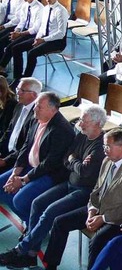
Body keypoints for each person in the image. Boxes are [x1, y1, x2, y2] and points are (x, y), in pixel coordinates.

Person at [0, 105, 107, 268]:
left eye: (84, 120)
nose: (80, 123)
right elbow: (66, 159)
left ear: (97, 124)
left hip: (84, 191)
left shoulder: (100, 146)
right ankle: (30, 254)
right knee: (37, 203)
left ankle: (22, 249)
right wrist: (74, 161)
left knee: (50, 212)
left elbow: (85, 172)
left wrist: (73, 160)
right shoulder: (81, 136)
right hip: (70, 183)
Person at [41, 129, 122, 270]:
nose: (104, 150)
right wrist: (91, 211)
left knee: (97, 241)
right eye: (104, 146)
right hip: (98, 209)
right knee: (60, 222)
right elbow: (97, 190)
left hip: (119, 219)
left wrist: (103, 218)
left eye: (107, 146)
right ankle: (51, 266)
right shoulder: (107, 161)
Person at [0, 92, 75, 225]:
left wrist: (23, 180)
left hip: (49, 173)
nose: (35, 109)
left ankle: (33, 229)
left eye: (39, 107)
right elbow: (25, 147)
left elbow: (49, 163)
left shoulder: (62, 130)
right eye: (35, 105)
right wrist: (14, 173)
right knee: (2, 185)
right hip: (32, 164)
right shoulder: (35, 119)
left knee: (20, 200)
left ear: (53, 110)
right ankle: (31, 223)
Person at [8, 0, 69, 81]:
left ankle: (26, 79)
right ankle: (17, 77)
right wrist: (37, 38)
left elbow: (61, 33)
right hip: (43, 38)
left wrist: (43, 40)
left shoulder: (61, 11)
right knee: (16, 48)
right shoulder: (45, 9)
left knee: (32, 53)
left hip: (56, 41)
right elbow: (42, 27)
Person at [0, 78, 40, 171]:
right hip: (7, 152)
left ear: (34, 94)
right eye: (18, 89)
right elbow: (9, 131)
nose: (18, 93)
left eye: (22, 91)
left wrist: (5, 161)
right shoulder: (19, 106)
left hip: (19, 160)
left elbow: (28, 146)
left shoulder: (37, 115)